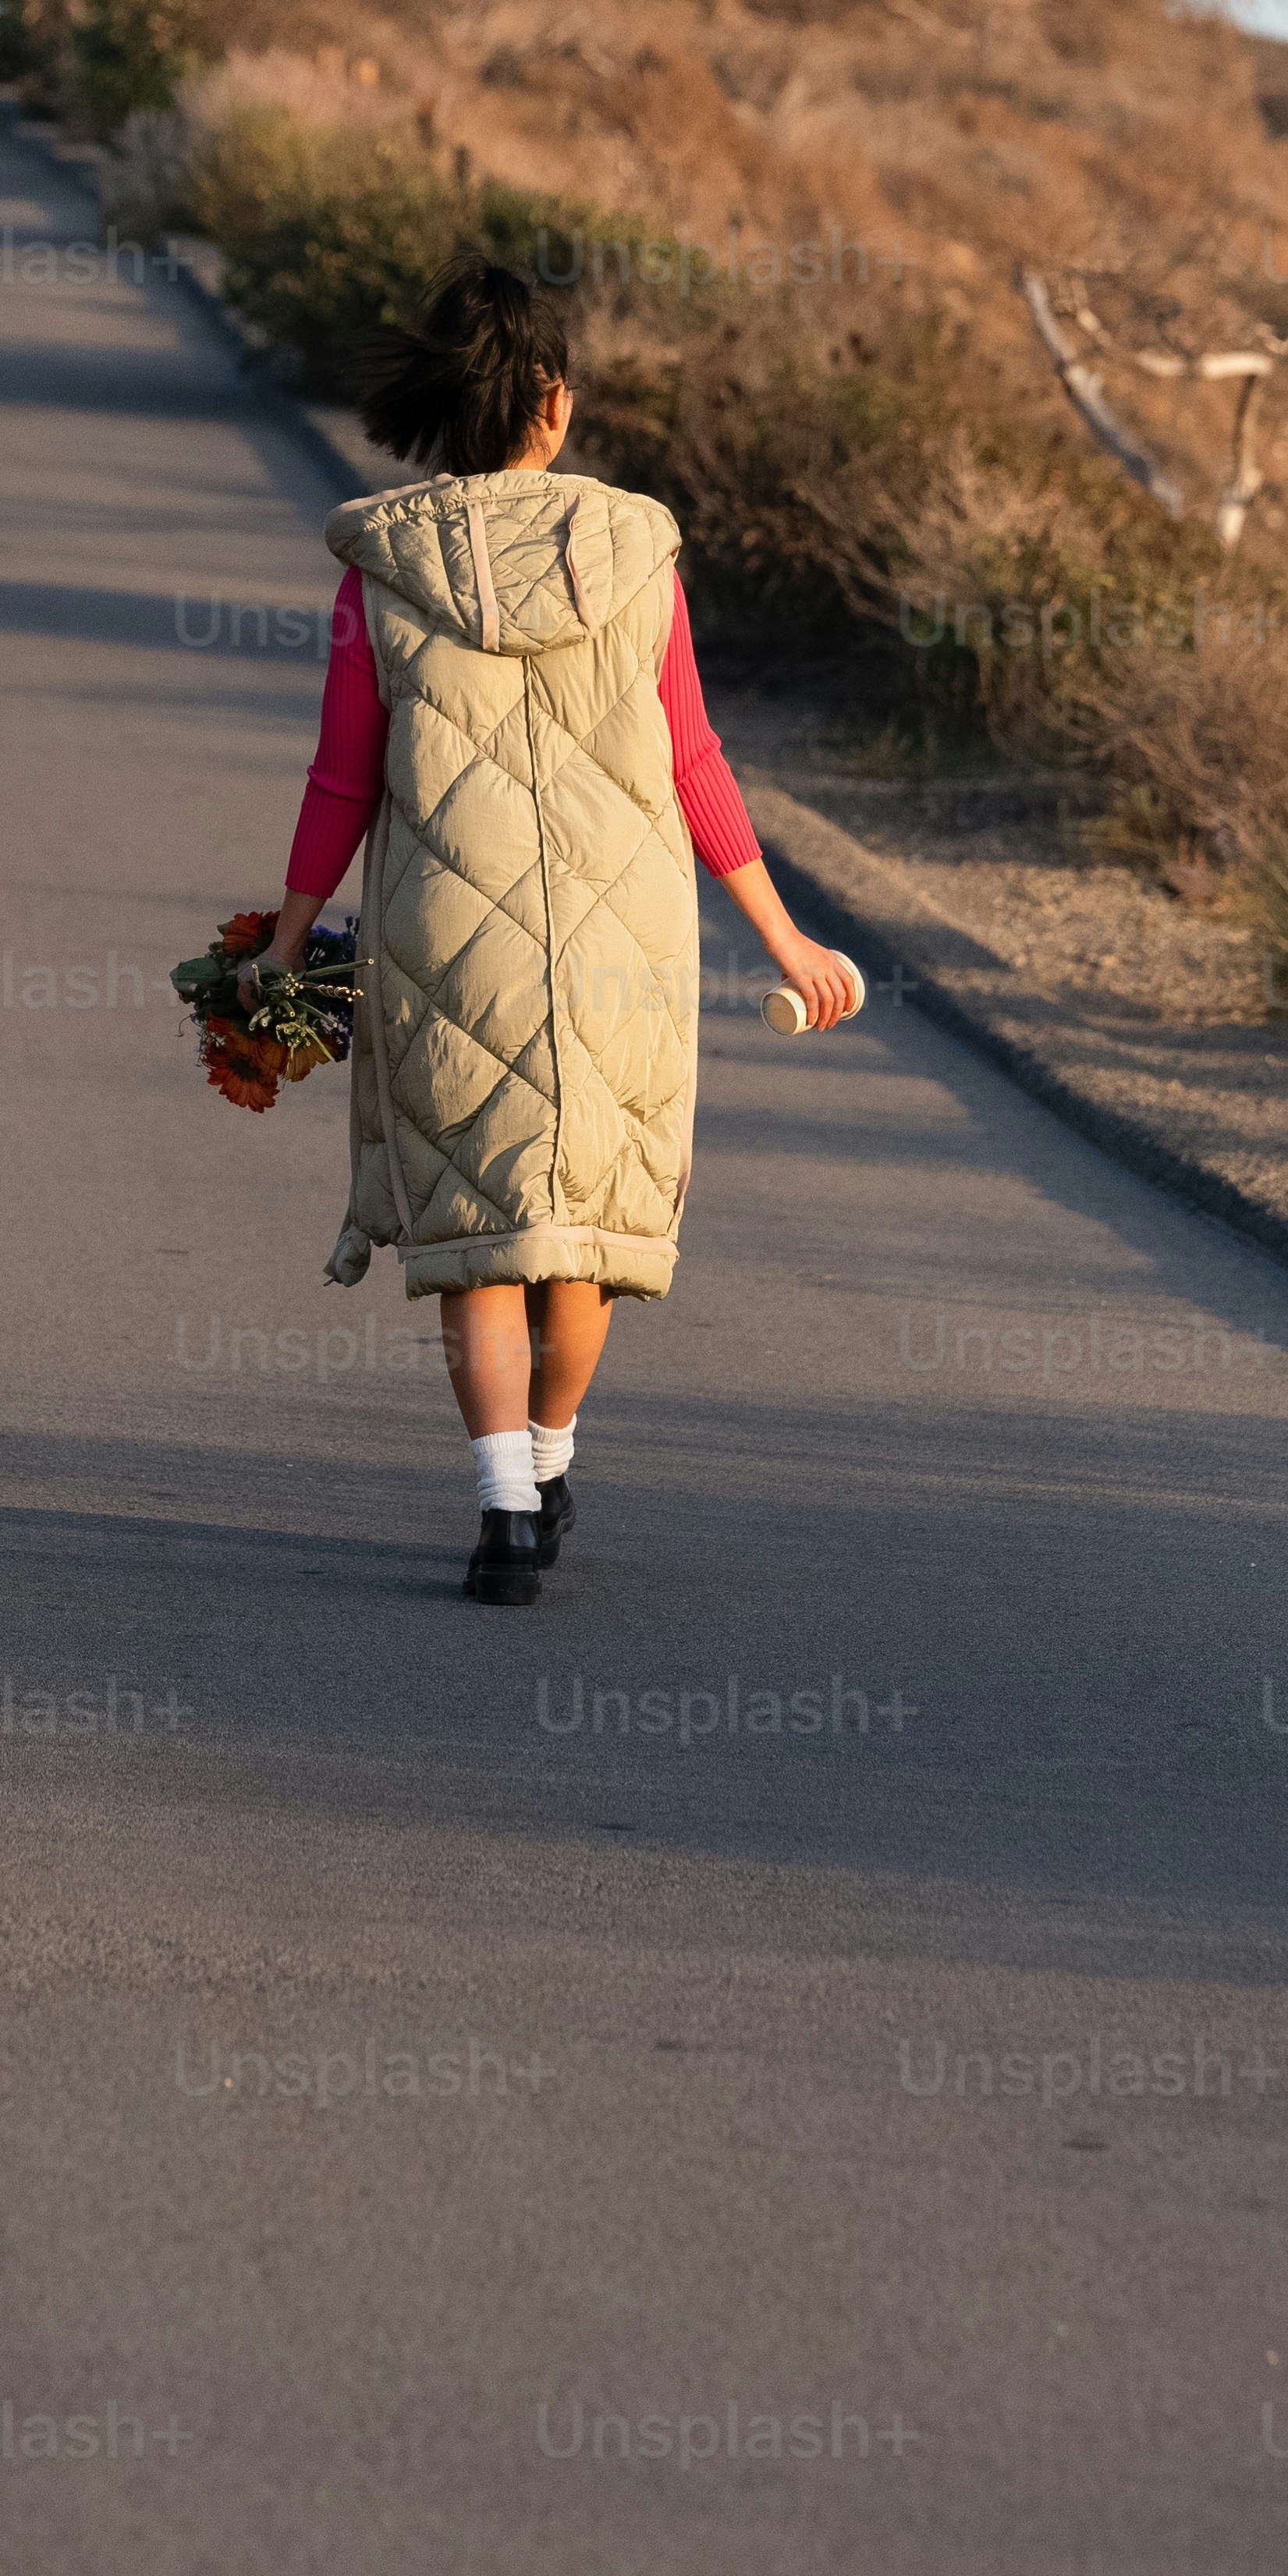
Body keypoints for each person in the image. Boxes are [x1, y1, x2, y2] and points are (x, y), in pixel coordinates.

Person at [253, 252, 862, 1607]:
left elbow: (343, 778)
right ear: (555, 405)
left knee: (479, 1227)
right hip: (621, 945)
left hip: (443, 933)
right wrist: (785, 938)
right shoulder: (640, 557)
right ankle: (553, 1453)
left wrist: (284, 948)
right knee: (577, 1226)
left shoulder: (381, 573)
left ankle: (503, 1515)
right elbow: (695, 760)